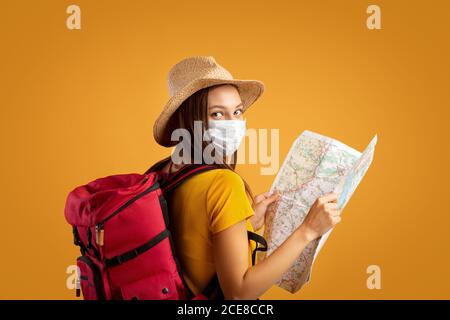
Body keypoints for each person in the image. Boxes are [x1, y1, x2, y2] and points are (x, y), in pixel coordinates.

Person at [152, 56, 341, 300]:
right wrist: (308, 230)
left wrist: (246, 225)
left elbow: (193, 248)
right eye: (217, 114)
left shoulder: (165, 171)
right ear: (188, 120)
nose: (234, 124)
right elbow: (239, 294)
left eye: (238, 111)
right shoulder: (223, 183)